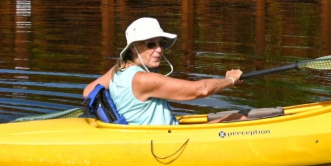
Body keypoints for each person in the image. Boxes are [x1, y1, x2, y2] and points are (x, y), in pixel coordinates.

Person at [82, 17, 243, 125]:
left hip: (154, 136)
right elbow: (200, 90)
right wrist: (231, 80)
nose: (159, 49)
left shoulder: (117, 70)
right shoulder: (143, 79)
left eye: (162, 43)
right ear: (133, 47)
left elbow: (88, 91)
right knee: (240, 119)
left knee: (236, 118)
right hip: (164, 144)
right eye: (151, 44)